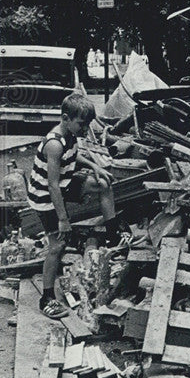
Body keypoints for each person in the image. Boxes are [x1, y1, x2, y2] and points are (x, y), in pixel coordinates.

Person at [25, 93, 124, 318]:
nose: (85, 128)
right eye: (82, 123)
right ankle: (47, 298)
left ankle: (113, 235)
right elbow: (52, 186)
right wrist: (63, 219)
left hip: (64, 181)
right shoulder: (54, 144)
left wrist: (94, 166)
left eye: (87, 124)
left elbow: (74, 156)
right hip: (45, 196)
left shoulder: (70, 135)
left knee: (103, 183)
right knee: (58, 246)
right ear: (66, 118)